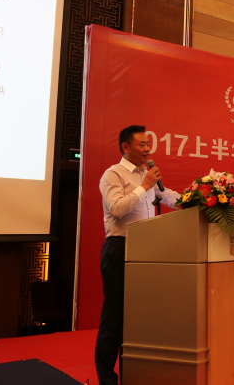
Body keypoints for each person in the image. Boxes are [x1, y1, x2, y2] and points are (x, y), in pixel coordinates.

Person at [96, 125, 180, 385]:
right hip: (120, 249)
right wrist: (144, 186)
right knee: (114, 318)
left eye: (148, 144)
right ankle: (107, 380)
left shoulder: (147, 175)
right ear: (126, 147)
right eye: (142, 144)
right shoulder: (113, 174)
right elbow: (117, 208)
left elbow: (166, 196)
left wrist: (199, 199)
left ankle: (131, 376)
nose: (147, 149)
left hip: (145, 251)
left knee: (136, 319)